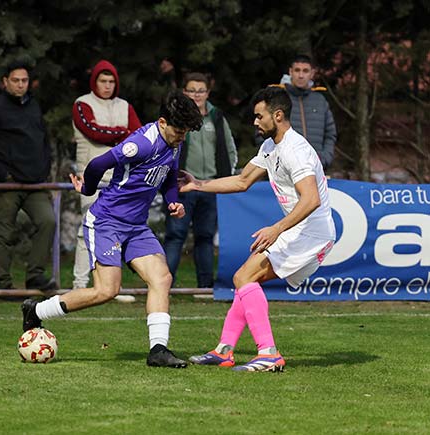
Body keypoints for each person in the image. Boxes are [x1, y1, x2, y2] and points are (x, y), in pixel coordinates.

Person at [21, 90, 204, 368]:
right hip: (106, 221)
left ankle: (158, 350)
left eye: (186, 132)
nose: (182, 137)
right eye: (179, 131)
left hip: (136, 227)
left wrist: (173, 202)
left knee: (162, 278)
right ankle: (37, 309)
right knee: (107, 290)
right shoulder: (141, 144)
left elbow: (168, 178)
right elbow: (97, 164)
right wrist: (89, 189)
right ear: (163, 122)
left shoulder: (174, 143)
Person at [181, 86, 336, 372]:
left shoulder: (295, 150)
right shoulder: (270, 146)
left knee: (244, 276)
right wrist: (198, 184)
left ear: (278, 116)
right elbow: (242, 181)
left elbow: (311, 199)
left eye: (259, 116)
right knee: (245, 278)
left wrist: (277, 228)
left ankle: (269, 353)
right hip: (299, 230)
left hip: (311, 232)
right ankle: (225, 350)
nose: (255, 122)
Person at [0, 60, 56, 292]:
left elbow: (43, 140)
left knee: (48, 221)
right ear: (5, 82)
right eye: (16, 80)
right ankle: (3, 285)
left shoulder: (34, 106)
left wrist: (44, 168)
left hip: (35, 182)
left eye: (25, 80)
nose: (20, 85)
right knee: (3, 233)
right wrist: (1, 174)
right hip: (6, 184)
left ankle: (35, 275)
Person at [72, 60, 142, 294]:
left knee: (116, 232)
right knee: (86, 231)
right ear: (94, 81)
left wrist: (120, 137)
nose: (107, 85)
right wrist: (123, 135)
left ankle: (111, 287)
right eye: (103, 81)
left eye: (111, 81)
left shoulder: (125, 105)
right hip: (91, 176)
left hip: (121, 179)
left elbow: (138, 136)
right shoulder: (82, 104)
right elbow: (93, 131)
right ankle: (79, 284)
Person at [164, 72, 238, 288]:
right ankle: (165, 284)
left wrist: (225, 177)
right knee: (175, 235)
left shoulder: (217, 117)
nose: (196, 95)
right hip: (182, 187)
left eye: (201, 91)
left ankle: (205, 287)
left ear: (208, 93)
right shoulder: (175, 116)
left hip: (210, 186)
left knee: (205, 238)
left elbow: (230, 150)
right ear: (184, 92)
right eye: (192, 90)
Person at [278, 54, 337, 170]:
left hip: (316, 169)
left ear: (312, 73)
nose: (301, 75)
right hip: (285, 171)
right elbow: (264, 132)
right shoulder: (279, 98)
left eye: (305, 71)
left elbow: (330, 134)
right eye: (297, 70)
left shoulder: (320, 100)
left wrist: (325, 158)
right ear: (290, 72)